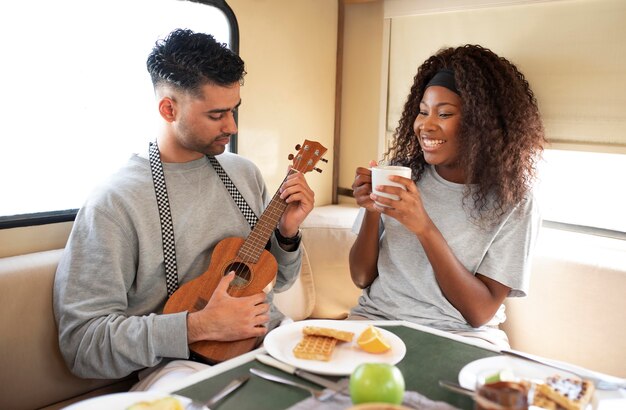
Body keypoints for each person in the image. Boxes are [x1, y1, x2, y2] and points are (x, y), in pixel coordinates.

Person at [53, 28, 314, 387]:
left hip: (274, 342)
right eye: (216, 115)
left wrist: (287, 234)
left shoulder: (244, 173)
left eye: (235, 110)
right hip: (180, 367)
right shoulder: (115, 203)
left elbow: (277, 281)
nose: (232, 126)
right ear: (168, 108)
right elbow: (82, 344)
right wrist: (198, 326)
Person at [349, 44, 545, 348]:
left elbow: (479, 312)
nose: (425, 126)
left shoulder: (514, 202)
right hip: (376, 321)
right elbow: (361, 278)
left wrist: (423, 227)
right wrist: (373, 211)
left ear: (481, 124)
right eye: (423, 112)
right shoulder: (398, 174)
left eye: (444, 114)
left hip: (461, 336)